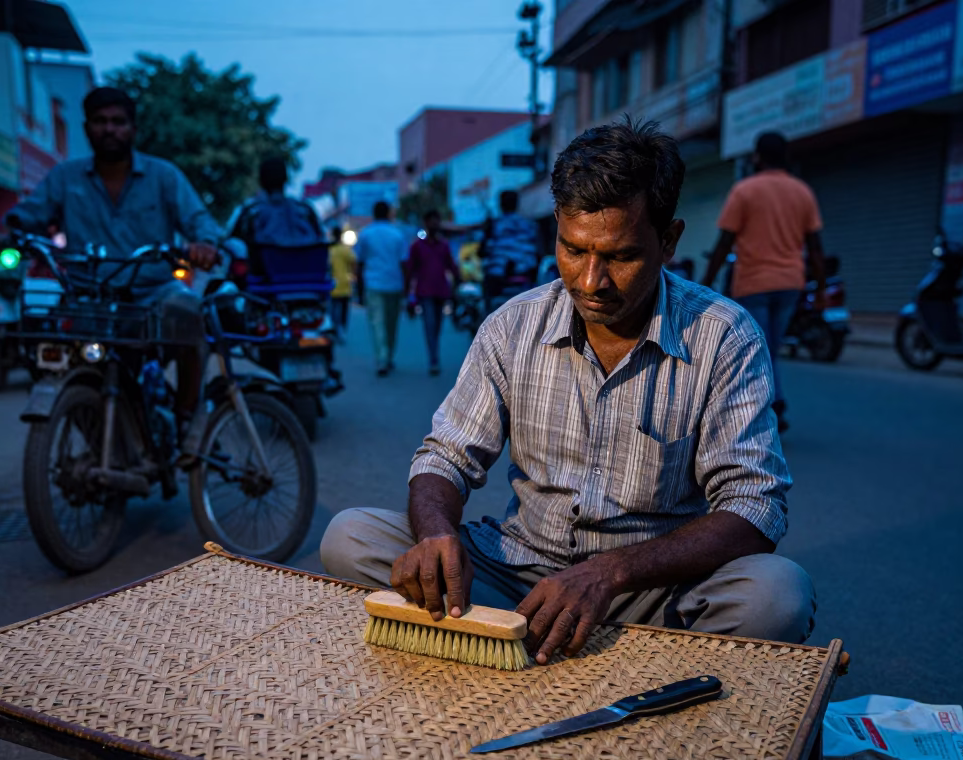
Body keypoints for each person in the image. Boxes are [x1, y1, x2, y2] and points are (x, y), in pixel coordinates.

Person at [321, 117, 814, 665]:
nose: (590, 281)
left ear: (669, 240)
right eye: (573, 249)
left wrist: (609, 573)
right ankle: (530, 638)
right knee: (350, 536)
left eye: (621, 257)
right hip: (516, 578)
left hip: (652, 593)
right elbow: (446, 457)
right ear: (556, 225)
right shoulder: (513, 325)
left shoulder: (725, 335)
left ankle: (563, 646)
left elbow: (754, 505)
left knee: (776, 593)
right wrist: (436, 534)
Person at [4, 86, 220, 458]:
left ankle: (186, 419)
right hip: (88, 298)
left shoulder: (163, 175)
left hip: (153, 292)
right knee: (45, 350)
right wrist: (7, 236)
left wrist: (204, 244)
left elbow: (200, 221)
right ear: (87, 128)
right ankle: (94, 429)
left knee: (189, 317)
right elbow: (28, 217)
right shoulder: (64, 177)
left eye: (118, 122)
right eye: (101, 122)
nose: (110, 129)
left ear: (133, 129)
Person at [702, 132, 825, 433]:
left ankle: (773, 405)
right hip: (790, 284)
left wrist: (705, 282)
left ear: (757, 157)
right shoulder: (802, 192)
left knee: (760, 350)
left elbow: (724, 242)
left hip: (754, 283)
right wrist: (819, 287)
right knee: (769, 348)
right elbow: (816, 245)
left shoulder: (745, 191)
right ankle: (771, 404)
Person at [229, 157, 324, 274]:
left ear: (261, 180)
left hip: (266, 279)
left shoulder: (251, 212)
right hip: (309, 276)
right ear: (286, 179)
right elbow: (320, 239)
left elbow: (234, 241)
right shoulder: (305, 210)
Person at [354, 201, 409, 376]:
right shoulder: (397, 234)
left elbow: (359, 264)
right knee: (391, 323)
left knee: (377, 323)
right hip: (394, 283)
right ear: (388, 214)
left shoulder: (365, 234)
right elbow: (404, 263)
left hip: (373, 283)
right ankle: (388, 357)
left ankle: (382, 359)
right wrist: (407, 287)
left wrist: (359, 288)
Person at [406, 210, 460, 375]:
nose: (434, 224)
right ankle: (433, 359)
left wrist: (459, 281)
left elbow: (451, 265)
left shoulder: (443, 245)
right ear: (426, 223)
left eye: (437, 221)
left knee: (437, 326)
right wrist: (408, 294)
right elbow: (410, 270)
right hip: (424, 292)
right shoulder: (417, 246)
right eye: (431, 221)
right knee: (429, 325)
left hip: (441, 291)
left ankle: (434, 354)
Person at [478, 189, 538, 313]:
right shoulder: (530, 225)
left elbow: (481, 251)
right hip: (525, 274)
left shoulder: (493, 224)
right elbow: (538, 252)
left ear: (500, 205)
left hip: (497, 277)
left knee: (487, 304)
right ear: (517, 204)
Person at [328, 226, 356, 342]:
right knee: (344, 310)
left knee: (332, 310)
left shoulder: (329, 250)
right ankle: (342, 330)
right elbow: (354, 262)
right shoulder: (345, 250)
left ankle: (333, 330)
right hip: (344, 285)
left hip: (331, 285)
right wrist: (352, 274)